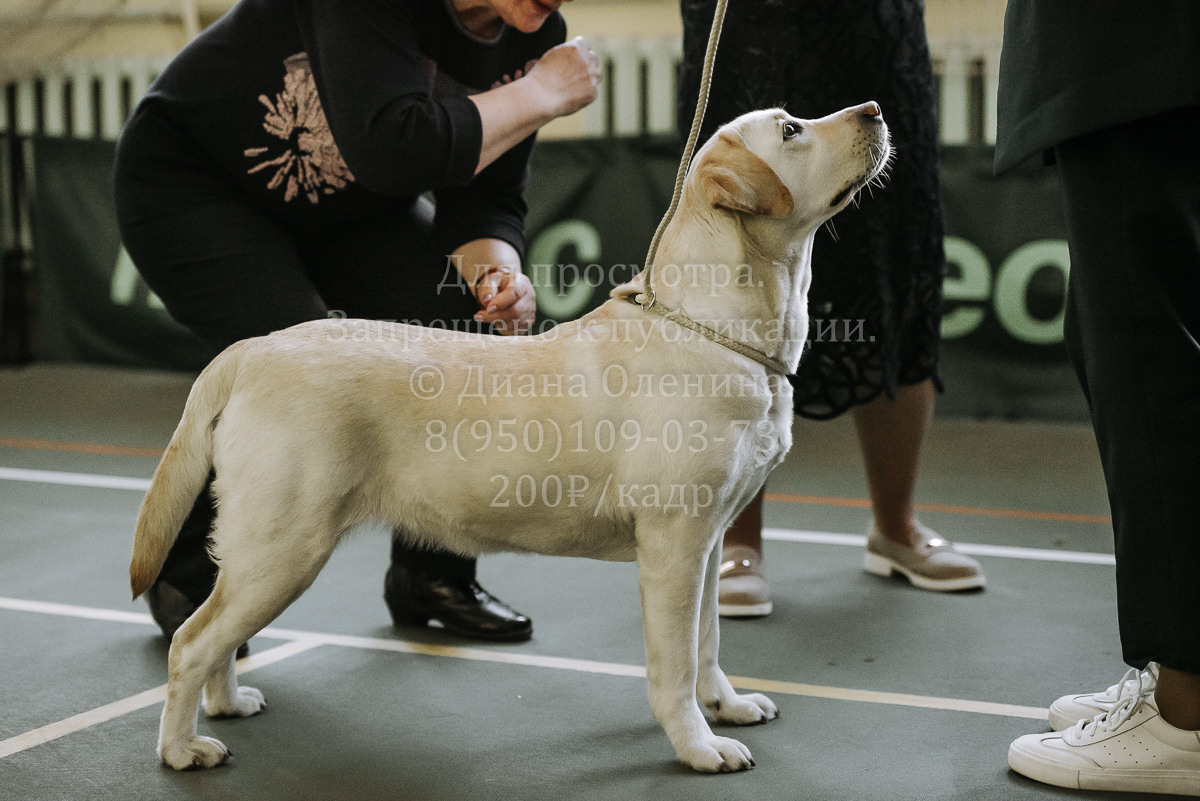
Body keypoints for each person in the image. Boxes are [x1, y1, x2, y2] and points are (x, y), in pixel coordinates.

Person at [113, 0, 600, 645]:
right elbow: (394, 149)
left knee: (463, 320)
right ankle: (189, 577)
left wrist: (496, 275)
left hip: (348, 207)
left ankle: (432, 574)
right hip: (195, 185)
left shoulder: (532, 34)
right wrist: (540, 93)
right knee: (293, 370)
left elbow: (485, 198)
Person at [677, 0, 984, 617]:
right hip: (752, 31)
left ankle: (896, 529)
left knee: (898, 278)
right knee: (737, 279)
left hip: (877, 33)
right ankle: (736, 543)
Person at [994, 1, 1200, 794]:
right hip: (1156, 58)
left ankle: (1185, 712)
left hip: (1135, 52)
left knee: (1149, 364)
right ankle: (1177, 669)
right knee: (1152, 346)